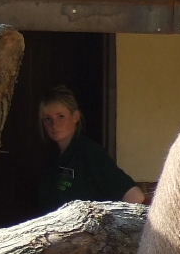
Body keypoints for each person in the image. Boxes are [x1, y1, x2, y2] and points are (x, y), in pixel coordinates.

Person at [37, 85, 147, 213]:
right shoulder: (51, 159)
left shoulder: (89, 153)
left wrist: (104, 227)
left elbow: (135, 196)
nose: (54, 124)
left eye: (61, 116)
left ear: (75, 116)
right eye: (48, 119)